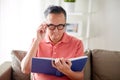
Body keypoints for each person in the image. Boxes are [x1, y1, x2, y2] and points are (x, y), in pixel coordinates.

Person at [21, 5, 84, 80]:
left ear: (65, 25)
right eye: (51, 26)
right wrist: (37, 40)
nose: (56, 31)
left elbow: (80, 77)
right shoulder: (36, 41)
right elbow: (25, 70)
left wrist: (67, 71)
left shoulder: (77, 43)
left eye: (60, 26)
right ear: (45, 25)